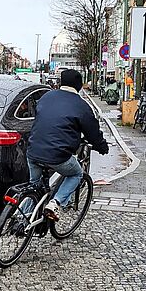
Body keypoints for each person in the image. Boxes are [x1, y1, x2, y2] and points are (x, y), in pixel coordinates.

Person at [27, 69, 110, 222]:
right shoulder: (81, 106)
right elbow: (93, 133)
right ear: (79, 85)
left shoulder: (47, 96)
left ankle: (22, 218)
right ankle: (55, 202)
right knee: (76, 174)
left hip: (33, 150)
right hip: (57, 155)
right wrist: (102, 147)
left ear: (61, 82)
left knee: (33, 186)